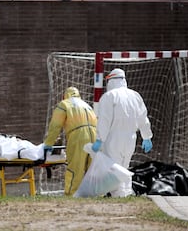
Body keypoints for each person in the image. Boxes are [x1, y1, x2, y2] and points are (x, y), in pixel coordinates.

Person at [91, 68, 153, 197]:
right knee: (125, 167)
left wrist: (99, 139)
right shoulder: (135, 95)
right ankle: (126, 193)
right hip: (131, 138)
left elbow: (104, 121)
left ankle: (119, 196)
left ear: (111, 81)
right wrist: (147, 136)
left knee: (114, 168)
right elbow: (143, 118)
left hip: (113, 138)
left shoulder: (109, 96)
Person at [43, 86, 97, 196]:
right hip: (94, 135)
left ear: (65, 95)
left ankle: (71, 194)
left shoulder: (64, 104)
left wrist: (49, 142)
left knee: (75, 167)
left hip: (78, 136)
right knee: (92, 168)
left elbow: (55, 126)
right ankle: (94, 194)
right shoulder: (87, 106)